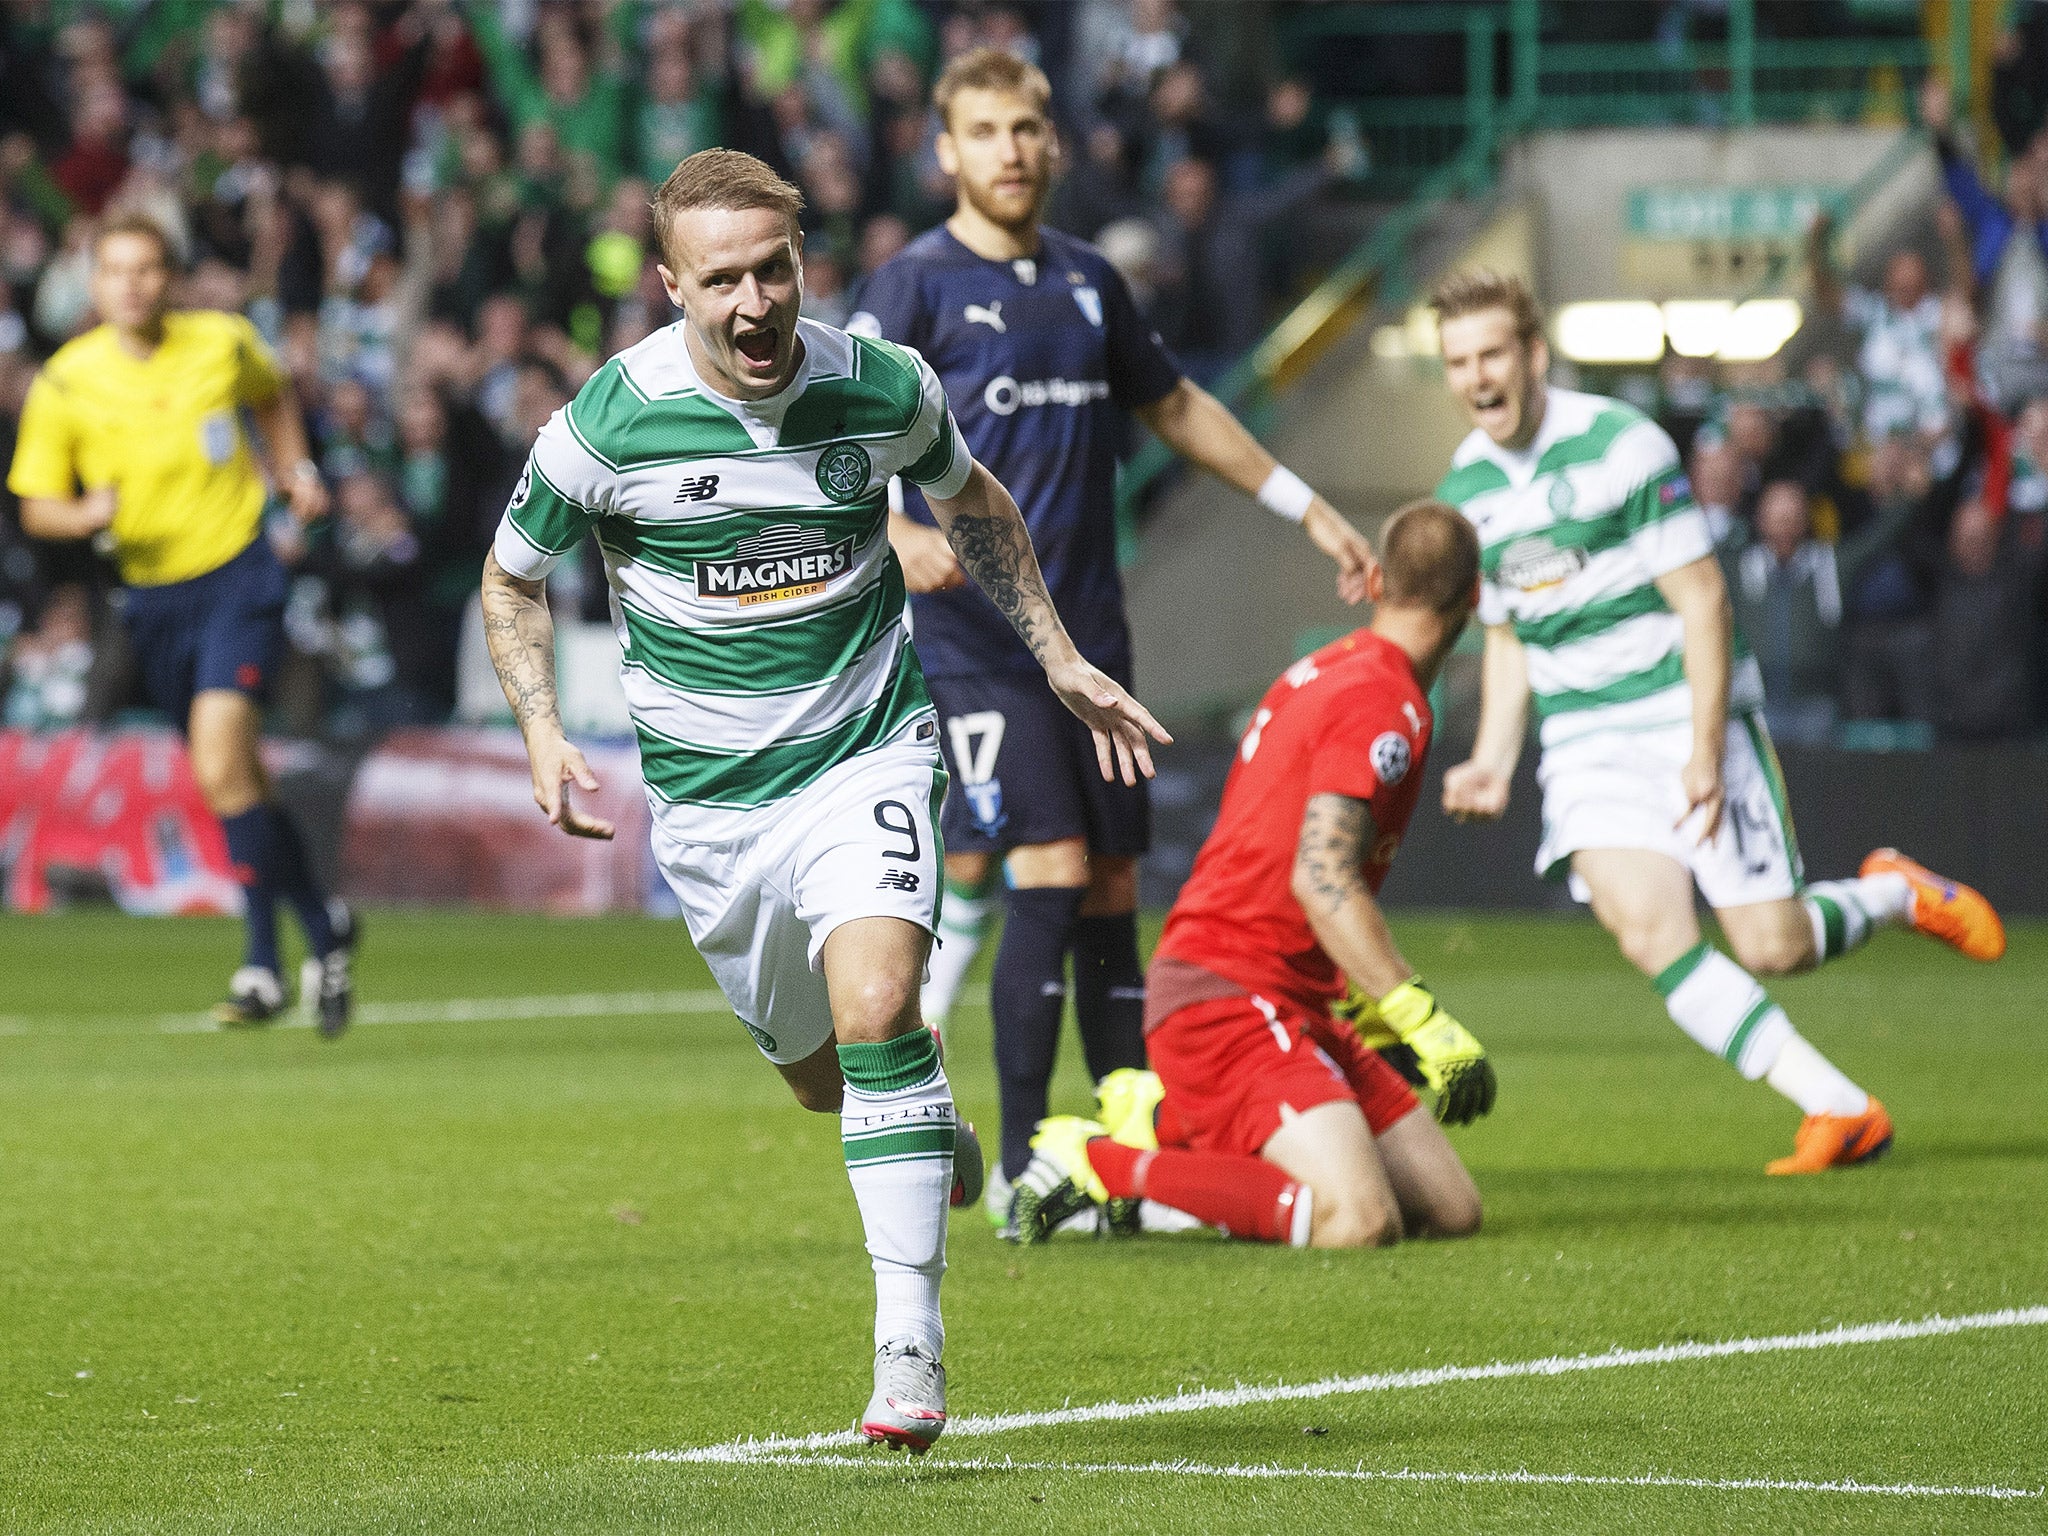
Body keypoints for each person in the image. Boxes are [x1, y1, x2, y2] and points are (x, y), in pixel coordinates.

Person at [478, 149, 1168, 1452]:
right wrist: (542, 731)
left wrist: (1062, 657)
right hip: (707, 808)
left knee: (878, 1008)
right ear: (672, 285)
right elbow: (510, 580)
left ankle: (909, 1350)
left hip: (866, 753)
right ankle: (929, 1124)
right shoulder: (609, 423)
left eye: (774, 270)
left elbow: (973, 504)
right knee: (821, 1081)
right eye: (721, 278)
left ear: (807, 266)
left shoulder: (880, 386)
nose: (754, 303)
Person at [847, 49, 1375, 1226]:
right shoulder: (908, 292)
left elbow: (1176, 405)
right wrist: (889, 524)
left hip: (1091, 636)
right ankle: (1034, 1151)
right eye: (984, 131)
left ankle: (1123, 1129)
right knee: (1048, 864)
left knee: (1112, 884)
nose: (1011, 150)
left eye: (1027, 127)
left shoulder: (1087, 281)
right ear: (946, 151)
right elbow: (825, 442)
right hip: (973, 644)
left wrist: (1307, 506)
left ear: (1054, 140)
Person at [1429, 269, 2005, 1176]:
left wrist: (1702, 749)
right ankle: (1840, 1108)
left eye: (1492, 353)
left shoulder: (1621, 444)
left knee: (1772, 945)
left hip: (1679, 710)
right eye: (1458, 361)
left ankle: (1894, 892)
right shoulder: (1463, 489)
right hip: (1583, 744)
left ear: (1533, 355)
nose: (1477, 376)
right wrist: (1493, 759)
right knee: (1650, 933)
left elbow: (1703, 601)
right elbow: (1506, 639)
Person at [1009, 501, 1487, 1249]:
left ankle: (1162, 1118)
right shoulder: (1381, 700)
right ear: (1476, 597)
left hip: (1292, 999)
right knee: (1357, 1220)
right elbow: (1321, 876)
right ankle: (1102, 1164)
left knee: (1451, 1210)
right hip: (1228, 996)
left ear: (1375, 582)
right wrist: (1419, 1019)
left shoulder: (1333, 667)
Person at [7, 212, 356, 1033]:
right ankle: (325, 927)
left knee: (217, 757)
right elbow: (35, 509)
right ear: (94, 286)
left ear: (170, 279)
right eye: (116, 271)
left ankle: (263, 964)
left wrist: (294, 471)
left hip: (239, 574)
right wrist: (84, 509)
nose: (132, 284)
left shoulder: (221, 342)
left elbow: (271, 398)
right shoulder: (66, 381)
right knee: (237, 779)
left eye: (147, 269)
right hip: (151, 599)